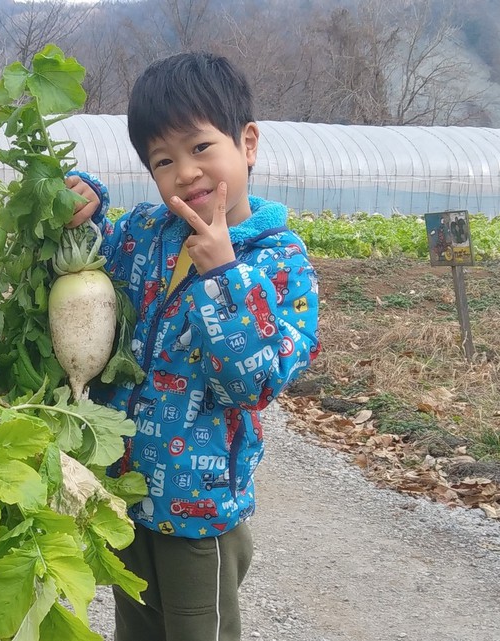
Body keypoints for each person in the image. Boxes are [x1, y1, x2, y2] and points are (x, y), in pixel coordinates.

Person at [66, 52, 321, 641]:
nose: (185, 172)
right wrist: (85, 200)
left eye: (200, 147)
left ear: (247, 143)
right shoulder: (150, 233)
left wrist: (222, 279)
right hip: (127, 499)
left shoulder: (278, 263)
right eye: (163, 159)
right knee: (136, 629)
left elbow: (256, 383)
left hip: (199, 514)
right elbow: (98, 246)